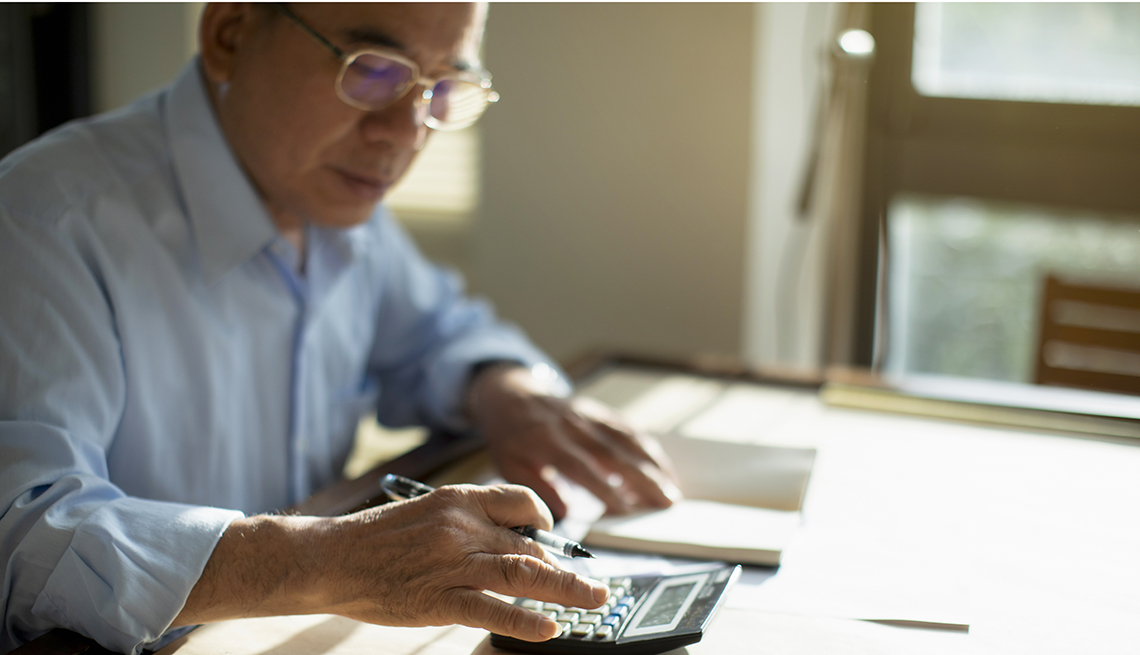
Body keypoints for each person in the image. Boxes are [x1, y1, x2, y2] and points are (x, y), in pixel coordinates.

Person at [0, 4, 680, 653]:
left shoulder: (330, 197)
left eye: (442, 87)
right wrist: (326, 558)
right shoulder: (43, 221)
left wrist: (508, 391)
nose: (406, 130)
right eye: (373, 69)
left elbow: (441, 333)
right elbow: (23, 531)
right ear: (230, 32)